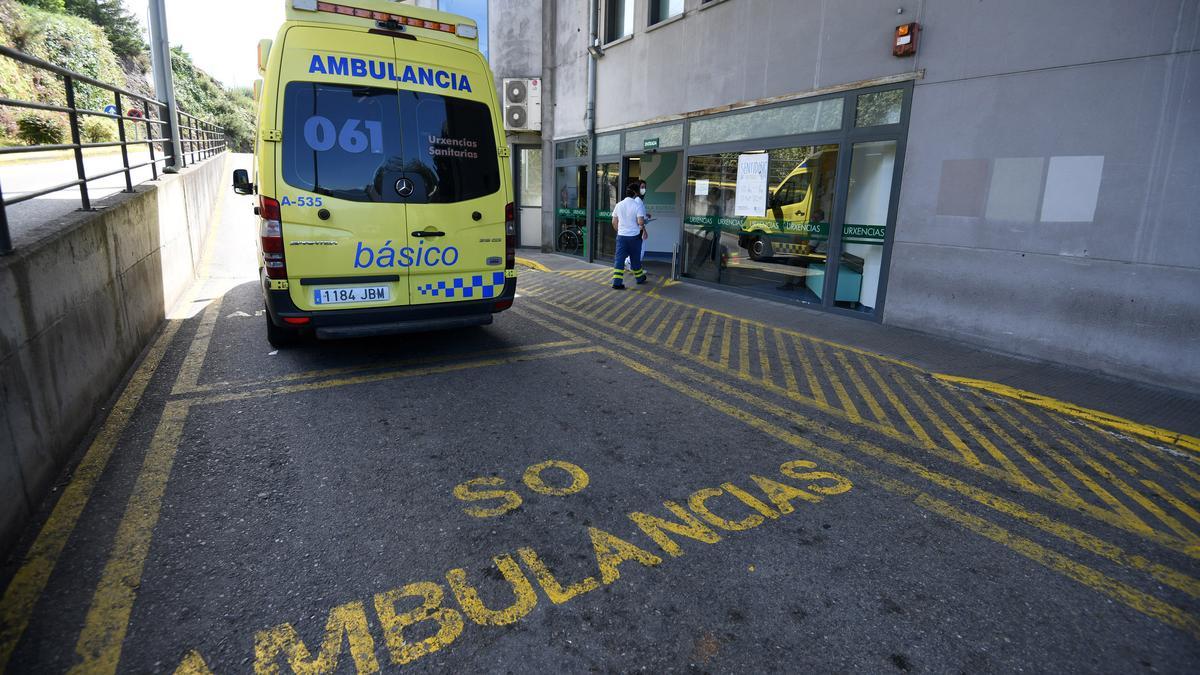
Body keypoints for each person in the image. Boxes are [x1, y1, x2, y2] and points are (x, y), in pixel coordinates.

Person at [611, 182, 648, 289]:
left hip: (621, 237)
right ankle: (640, 278)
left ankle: (617, 283)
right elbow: (640, 222)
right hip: (634, 238)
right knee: (635, 259)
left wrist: (620, 231)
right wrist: (643, 227)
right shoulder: (637, 205)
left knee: (619, 260)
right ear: (635, 193)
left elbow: (614, 222)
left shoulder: (619, 205)